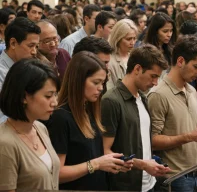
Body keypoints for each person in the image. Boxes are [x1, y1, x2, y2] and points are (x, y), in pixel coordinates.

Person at [45, 51, 132, 190]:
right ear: (78, 80)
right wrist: (96, 164)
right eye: (96, 82)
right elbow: (57, 173)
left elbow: (92, 154)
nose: (100, 88)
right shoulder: (60, 118)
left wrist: (113, 162)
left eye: (103, 83)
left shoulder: (89, 110)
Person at [148, 36, 197, 191]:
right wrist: (190, 136)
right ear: (180, 61)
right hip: (176, 177)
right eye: (196, 66)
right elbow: (152, 140)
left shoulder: (191, 90)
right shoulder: (158, 95)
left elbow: (189, 127)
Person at [101, 44, 170, 191]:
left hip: (148, 183)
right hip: (124, 186)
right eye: (153, 76)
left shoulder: (143, 98)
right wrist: (143, 164)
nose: (155, 82)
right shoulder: (111, 101)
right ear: (137, 69)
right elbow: (105, 152)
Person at [0, 59, 60, 191]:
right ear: (24, 97)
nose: (54, 102)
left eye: (55, 95)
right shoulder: (5, 143)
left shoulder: (40, 128)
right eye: (48, 96)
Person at [0, 17, 41, 123]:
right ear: (13, 43)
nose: (34, 52)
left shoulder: (27, 66)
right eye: (30, 46)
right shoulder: (2, 73)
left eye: (37, 46)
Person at [107, 19, 138, 90]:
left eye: (134, 38)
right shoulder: (109, 61)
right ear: (118, 39)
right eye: (128, 39)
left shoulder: (136, 57)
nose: (132, 42)